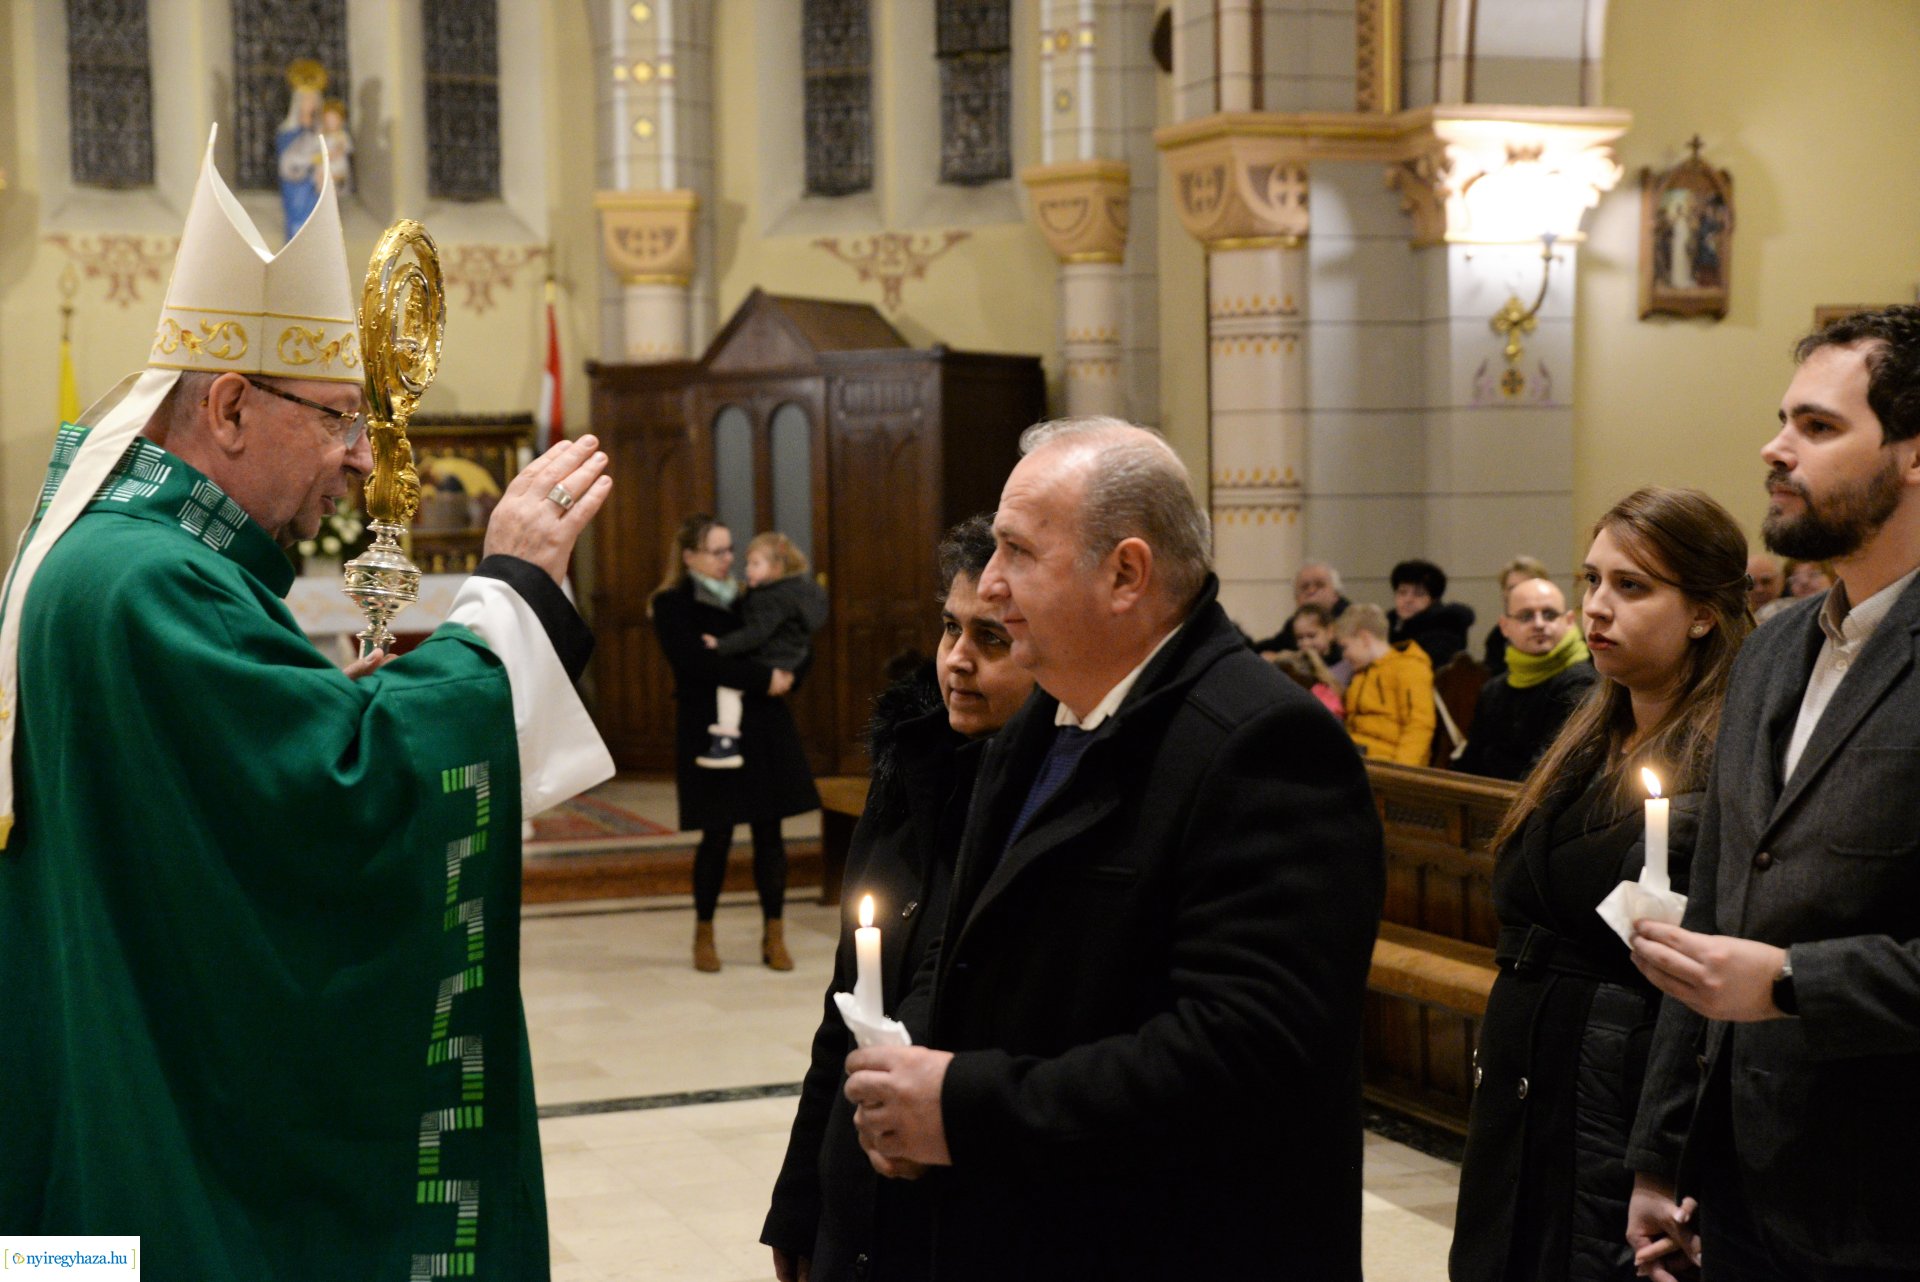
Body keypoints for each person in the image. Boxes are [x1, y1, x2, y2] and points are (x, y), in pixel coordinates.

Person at [0, 133, 615, 1280]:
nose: (355, 459)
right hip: (165, 1140)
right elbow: (339, 801)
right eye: (336, 416)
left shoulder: (109, 556)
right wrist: (515, 587)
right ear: (229, 403)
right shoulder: (149, 581)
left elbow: (226, 797)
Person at [842, 417, 1385, 1281]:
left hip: (1175, 1244)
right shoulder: (1044, 719)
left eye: (1017, 553)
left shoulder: (1263, 746)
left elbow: (1245, 1053)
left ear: (1125, 573)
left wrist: (965, 1108)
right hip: (1031, 1221)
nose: (988, 584)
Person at [1628, 306, 1920, 1281]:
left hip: (1887, 1203)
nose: (1774, 446)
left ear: (1913, 454)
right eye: (1782, 418)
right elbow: (1710, 913)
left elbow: (1758, 967)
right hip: (1740, 1189)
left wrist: (1793, 982)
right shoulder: (1777, 647)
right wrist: (1659, 1159)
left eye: (1818, 426)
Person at [1449, 488, 1752, 1282]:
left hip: (1618, 1090)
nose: (1597, 608)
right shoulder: (1587, 729)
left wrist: (1665, 1159)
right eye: (1592, 580)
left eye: (1632, 586)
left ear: (1703, 613)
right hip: (1527, 1078)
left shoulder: (1733, 750)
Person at [762, 514, 1034, 1282]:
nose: (957, 661)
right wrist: (801, 1200)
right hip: (861, 1187)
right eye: (952, 629)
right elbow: (847, 1005)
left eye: (993, 639)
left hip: (969, 1193)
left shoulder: (1054, 804)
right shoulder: (912, 770)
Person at [651, 514, 818, 972]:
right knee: (717, 833)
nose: (730, 558)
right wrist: (764, 677)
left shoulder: (752, 595)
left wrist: (789, 675)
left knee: (770, 833)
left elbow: (795, 636)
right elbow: (696, 665)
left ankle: (774, 935)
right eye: (719, 551)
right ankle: (704, 936)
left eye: (731, 549)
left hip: (762, 724)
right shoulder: (672, 604)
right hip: (710, 728)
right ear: (690, 557)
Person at [698, 530, 829, 768]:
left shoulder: (769, 598)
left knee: (729, 687)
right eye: (748, 563)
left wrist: (721, 644)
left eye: (755, 564)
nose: (748, 569)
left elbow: (756, 633)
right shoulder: (796, 591)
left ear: (777, 567)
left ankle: (725, 742)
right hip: (791, 656)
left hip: (772, 656)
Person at [1456, 576, 1597, 781]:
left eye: (1549, 614)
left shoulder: (1582, 683)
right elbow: (1471, 762)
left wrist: (1494, 759)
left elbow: (1548, 774)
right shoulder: (1493, 690)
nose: (1539, 624)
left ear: (1568, 622)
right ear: (1505, 626)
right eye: (1525, 616)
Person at [1340, 602, 1436, 765]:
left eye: (1345, 647)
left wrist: (1401, 773)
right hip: (1355, 760)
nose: (1344, 655)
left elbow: (1419, 726)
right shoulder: (1361, 674)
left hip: (1387, 766)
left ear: (1364, 638)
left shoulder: (1409, 668)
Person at [1251, 560, 1350, 656]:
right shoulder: (1295, 623)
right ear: (1296, 599)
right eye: (1304, 587)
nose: (1311, 591)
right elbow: (1273, 647)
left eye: (1319, 585)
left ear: (1336, 594)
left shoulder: (1350, 619)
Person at [1391, 556, 1476, 667]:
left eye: (1418, 594)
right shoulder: (1388, 627)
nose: (1408, 600)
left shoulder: (1444, 632)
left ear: (1434, 600)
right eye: (1402, 592)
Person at [1482, 554, 1552, 677]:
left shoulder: (1556, 629)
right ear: (1504, 593)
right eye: (1512, 588)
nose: (1520, 593)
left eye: (1527, 586)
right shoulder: (1497, 637)